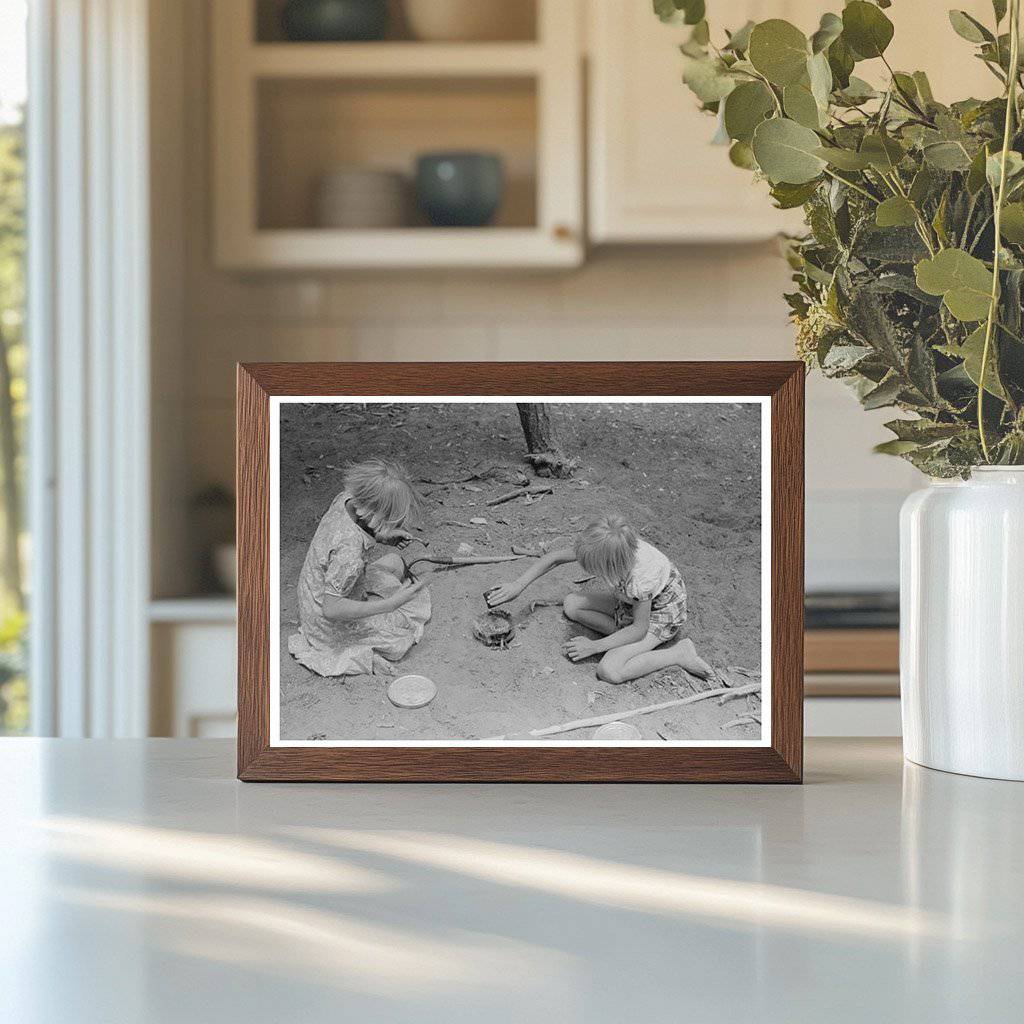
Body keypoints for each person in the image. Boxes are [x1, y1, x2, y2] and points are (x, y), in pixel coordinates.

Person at [487, 514, 715, 685]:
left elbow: (639, 629)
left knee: (610, 670)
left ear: (610, 565)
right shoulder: (606, 546)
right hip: (630, 603)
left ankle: (678, 654)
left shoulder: (641, 577)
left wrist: (595, 646)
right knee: (572, 604)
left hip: (659, 613)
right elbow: (555, 558)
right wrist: (517, 586)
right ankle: (620, 633)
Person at [288, 459, 431, 677]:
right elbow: (332, 609)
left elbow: (354, 529)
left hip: (313, 590)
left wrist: (382, 536)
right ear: (377, 515)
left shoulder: (346, 499)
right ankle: (361, 656)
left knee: (394, 561)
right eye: (391, 521)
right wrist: (390, 604)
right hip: (325, 621)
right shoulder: (349, 554)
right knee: (400, 635)